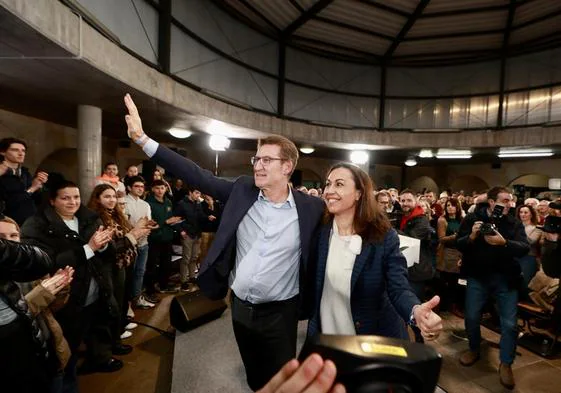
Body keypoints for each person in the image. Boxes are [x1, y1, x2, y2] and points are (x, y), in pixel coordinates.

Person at [124, 93, 325, 391]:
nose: (257, 165)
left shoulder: (312, 209)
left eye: (267, 160)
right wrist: (142, 139)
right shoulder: (241, 191)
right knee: (255, 376)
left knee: (282, 381)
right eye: (256, 159)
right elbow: (194, 173)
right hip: (240, 307)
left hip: (281, 312)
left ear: (287, 168)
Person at [307, 163, 442, 343]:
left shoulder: (383, 237)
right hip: (326, 338)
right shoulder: (320, 232)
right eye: (328, 184)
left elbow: (398, 287)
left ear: (359, 193)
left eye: (339, 184)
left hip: (371, 339)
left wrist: (416, 311)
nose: (329, 190)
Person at [21, 180, 121, 389]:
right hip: (64, 300)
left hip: (93, 294)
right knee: (62, 353)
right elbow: (46, 261)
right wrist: (89, 248)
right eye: (65, 198)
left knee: (78, 348)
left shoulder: (88, 219)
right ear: (52, 200)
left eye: (76, 197)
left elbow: (107, 253)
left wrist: (102, 247)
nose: (72, 202)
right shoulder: (37, 226)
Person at [455, 186, 530, 389]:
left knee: (509, 324)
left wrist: (504, 243)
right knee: (471, 316)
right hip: (478, 277)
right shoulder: (472, 219)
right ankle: (474, 348)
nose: (510, 204)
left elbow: (525, 248)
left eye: (511, 200)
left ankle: (506, 363)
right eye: (505, 200)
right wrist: (471, 236)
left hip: (506, 279)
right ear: (491, 202)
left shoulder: (513, 222)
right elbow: (458, 244)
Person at [0, 216, 73, 393]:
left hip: (50, 343)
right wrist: (42, 295)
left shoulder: (30, 265)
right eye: (2, 238)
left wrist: (61, 289)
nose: (10, 242)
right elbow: (12, 323)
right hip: (23, 358)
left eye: (14, 236)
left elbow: (53, 309)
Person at [87, 184, 151, 348]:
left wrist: (137, 229)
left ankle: (119, 328)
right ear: (98, 198)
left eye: (114, 197)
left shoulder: (115, 214)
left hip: (122, 262)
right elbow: (109, 246)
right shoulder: (96, 218)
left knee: (121, 297)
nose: (112, 200)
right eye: (107, 197)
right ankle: (113, 339)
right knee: (111, 303)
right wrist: (133, 235)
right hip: (108, 264)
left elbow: (126, 233)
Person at [124, 176, 157, 308]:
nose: (140, 189)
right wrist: (136, 229)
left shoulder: (145, 204)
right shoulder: (124, 202)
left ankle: (137, 298)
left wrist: (151, 225)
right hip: (129, 244)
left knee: (140, 272)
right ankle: (127, 303)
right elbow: (123, 225)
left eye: (142, 187)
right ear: (129, 188)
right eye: (137, 186)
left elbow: (148, 221)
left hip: (144, 243)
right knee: (129, 275)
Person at [0, 137, 48, 225]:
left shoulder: (25, 173)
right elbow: (9, 203)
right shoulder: (2, 175)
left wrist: (39, 186)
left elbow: (38, 201)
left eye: (23, 151)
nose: (21, 153)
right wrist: (32, 188)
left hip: (31, 223)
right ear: (3, 152)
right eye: (15, 150)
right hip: (10, 224)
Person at [436, 198, 463, 314]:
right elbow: (442, 239)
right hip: (447, 253)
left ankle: (452, 306)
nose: (450, 207)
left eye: (452, 205)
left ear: (457, 207)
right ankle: (442, 306)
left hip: (459, 253)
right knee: (444, 282)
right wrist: (456, 236)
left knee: (455, 283)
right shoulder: (442, 220)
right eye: (447, 205)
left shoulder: (461, 220)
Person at [516, 204, 542, 296]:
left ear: (531, 214)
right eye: (521, 212)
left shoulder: (537, 228)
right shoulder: (515, 227)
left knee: (526, 283)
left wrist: (519, 230)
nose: (523, 214)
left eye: (526, 212)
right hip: (515, 256)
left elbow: (531, 241)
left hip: (528, 258)